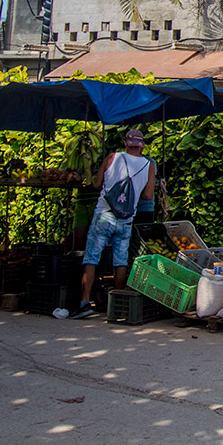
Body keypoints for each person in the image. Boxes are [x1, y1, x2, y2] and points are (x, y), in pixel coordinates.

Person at [71, 129, 155, 319]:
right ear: (142, 146)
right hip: (126, 219)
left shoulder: (112, 158)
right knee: (121, 261)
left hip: (104, 216)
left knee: (91, 258)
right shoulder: (148, 166)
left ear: (126, 143)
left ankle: (85, 303)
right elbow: (148, 195)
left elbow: (96, 184)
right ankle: (117, 305)